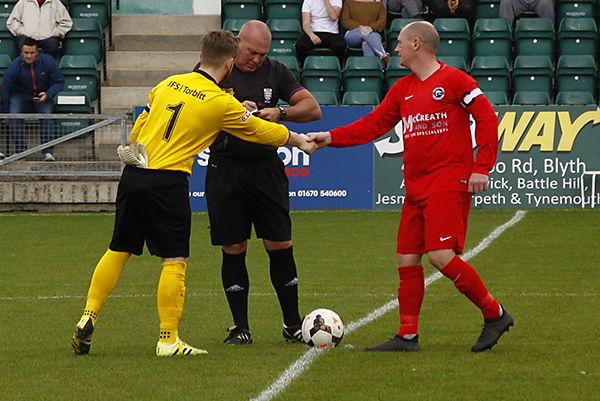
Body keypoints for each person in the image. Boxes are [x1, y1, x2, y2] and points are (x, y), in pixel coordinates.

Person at [70, 29, 316, 357]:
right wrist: (299, 140)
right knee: (174, 260)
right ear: (229, 63)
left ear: (201, 55)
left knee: (119, 249)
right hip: (168, 182)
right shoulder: (219, 102)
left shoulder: (168, 84)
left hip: (134, 173)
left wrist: (135, 147)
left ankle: (89, 316)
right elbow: (259, 130)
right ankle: (168, 339)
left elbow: (141, 120)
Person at [306, 21, 514, 352]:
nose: (396, 47)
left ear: (417, 44)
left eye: (400, 42)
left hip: (448, 179)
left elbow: (487, 118)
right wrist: (330, 137)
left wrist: (482, 167)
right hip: (416, 185)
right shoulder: (403, 88)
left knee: (441, 257)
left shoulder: (456, 80)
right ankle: (407, 336)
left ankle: (495, 313)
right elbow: (373, 124)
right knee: (406, 258)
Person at [204, 20, 322, 345]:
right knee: (234, 247)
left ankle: (292, 324)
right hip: (225, 167)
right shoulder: (217, 70)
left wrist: (279, 113)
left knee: (280, 244)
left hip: (265, 168)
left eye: (262, 54)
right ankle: (240, 327)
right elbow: (197, 111)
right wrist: (230, 110)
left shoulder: (276, 71)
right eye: (252, 52)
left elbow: (312, 108)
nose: (256, 59)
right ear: (237, 42)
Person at [1, 37, 63, 161]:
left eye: (32, 53)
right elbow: (6, 89)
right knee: (15, 116)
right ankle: (21, 152)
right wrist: (6, 112)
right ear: (21, 52)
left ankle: (48, 152)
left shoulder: (48, 61)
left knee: (47, 115)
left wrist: (48, 94)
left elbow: (59, 82)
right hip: (20, 95)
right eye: (26, 53)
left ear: (37, 51)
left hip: (42, 94)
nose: (29, 56)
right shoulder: (15, 65)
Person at [6, 0, 72, 57]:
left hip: (48, 38)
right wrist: (22, 31)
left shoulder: (55, 2)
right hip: (28, 37)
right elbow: (12, 21)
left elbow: (66, 22)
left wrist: (54, 32)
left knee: (53, 43)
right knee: (23, 43)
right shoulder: (24, 2)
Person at [295, 0, 347, 65]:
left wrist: (326, 1)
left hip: (331, 33)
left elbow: (333, 17)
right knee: (300, 45)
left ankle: (339, 67)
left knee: (341, 45)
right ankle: (303, 67)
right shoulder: (308, 1)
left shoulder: (336, 0)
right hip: (314, 32)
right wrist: (311, 35)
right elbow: (305, 23)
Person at [341, 0, 390, 64]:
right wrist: (360, 27)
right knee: (367, 34)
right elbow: (345, 21)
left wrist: (371, 28)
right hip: (353, 34)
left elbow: (382, 21)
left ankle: (370, 70)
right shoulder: (348, 2)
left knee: (366, 42)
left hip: (373, 32)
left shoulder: (378, 4)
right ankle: (384, 55)